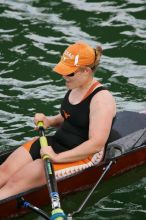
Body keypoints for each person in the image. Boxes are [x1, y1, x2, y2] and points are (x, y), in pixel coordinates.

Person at [0, 41, 116, 200]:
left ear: (86, 71)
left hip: (83, 157)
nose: (63, 76)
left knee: (15, 182)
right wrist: (49, 121)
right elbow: (69, 116)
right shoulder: (75, 85)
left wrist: (56, 158)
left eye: (69, 72)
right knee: (4, 171)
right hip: (55, 144)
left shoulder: (101, 99)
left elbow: (96, 144)